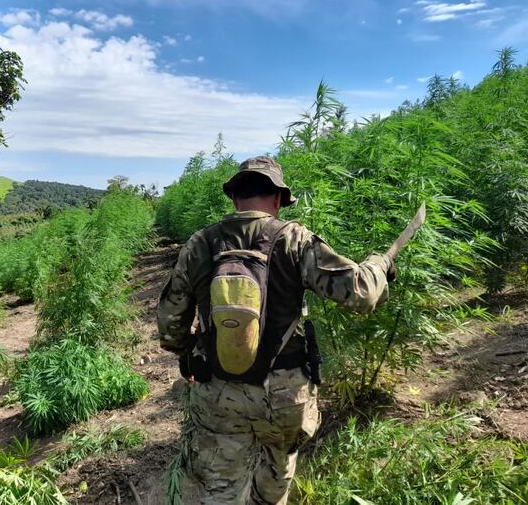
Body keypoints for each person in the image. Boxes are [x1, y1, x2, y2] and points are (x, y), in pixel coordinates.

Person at [157, 156, 395, 505]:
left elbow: (170, 322)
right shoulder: (294, 240)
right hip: (285, 398)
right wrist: (379, 264)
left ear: (235, 198)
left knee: (220, 489)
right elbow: (361, 294)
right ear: (278, 199)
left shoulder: (201, 243)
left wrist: (187, 354)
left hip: (221, 394)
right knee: (277, 473)